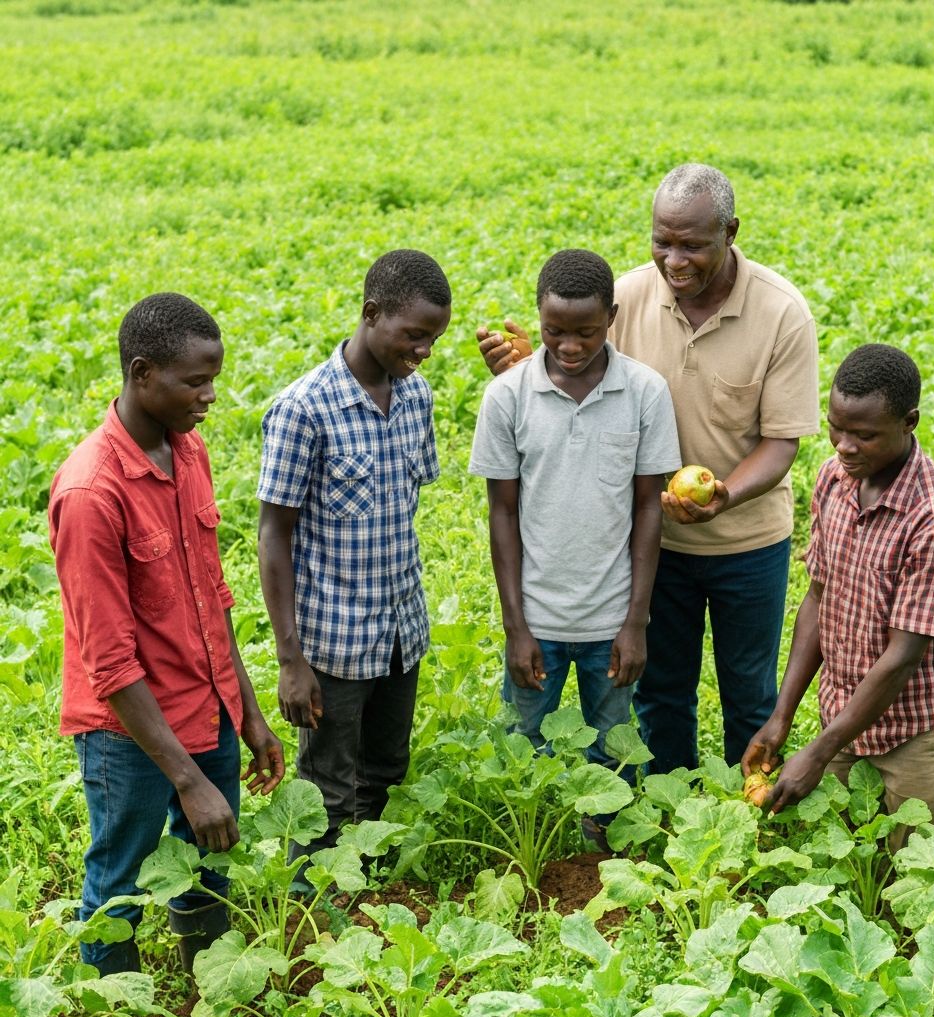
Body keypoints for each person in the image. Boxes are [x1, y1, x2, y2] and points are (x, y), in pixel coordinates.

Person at [480, 164, 819, 774]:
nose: (674, 259)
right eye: (662, 241)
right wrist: (538, 370)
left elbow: (781, 442)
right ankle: (670, 813)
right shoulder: (627, 298)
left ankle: (754, 815)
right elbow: (580, 361)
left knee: (748, 691)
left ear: (731, 232)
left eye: (692, 244)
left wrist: (725, 494)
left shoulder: (781, 312)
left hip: (748, 541)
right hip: (652, 543)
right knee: (662, 693)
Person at [48, 293, 285, 977]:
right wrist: (185, 778)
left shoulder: (189, 450)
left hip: (206, 707)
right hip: (131, 733)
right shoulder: (91, 492)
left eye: (213, 378)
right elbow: (109, 661)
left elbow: (213, 599)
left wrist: (249, 713)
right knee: (118, 881)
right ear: (143, 372)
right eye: (196, 381)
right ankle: (111, 997)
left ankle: (210, 987)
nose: (211, 396)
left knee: (212, 862)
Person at [470, 250, 681, 842]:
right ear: (537, 318)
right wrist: (517, 627)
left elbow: (648, 509)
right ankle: (536, 853)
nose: (568, 345)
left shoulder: (644, 392)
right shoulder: (507, 396)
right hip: (535, 620)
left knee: (613, 757)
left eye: (585, 332)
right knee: (523, 756)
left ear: (611, 316)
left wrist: (635, 621)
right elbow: (502, 514)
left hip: (612, 619)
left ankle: (607, 861)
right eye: (553, 330)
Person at [741, 344, 934, 845]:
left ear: (909, 422)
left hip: (917, 731)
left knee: (918, 874)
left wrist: (820, 751)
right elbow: (818, 597)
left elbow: (902, 658)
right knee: (843, 863)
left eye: (865, 435)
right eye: (836, 427)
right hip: (844, 717)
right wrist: (781, 718)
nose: (844, 446)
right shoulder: (835, 478)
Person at [257, 249, 451, 867]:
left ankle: (365, 886)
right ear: (371, 314)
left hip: (400, 630)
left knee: (386, 772)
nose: (422, 352)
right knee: (327, 790)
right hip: (332, 644)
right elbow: (272, 537)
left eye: (432, 340)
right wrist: (291, 660)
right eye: (414, 335)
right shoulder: (303, 410)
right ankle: (320, 910)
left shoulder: (415, 397)